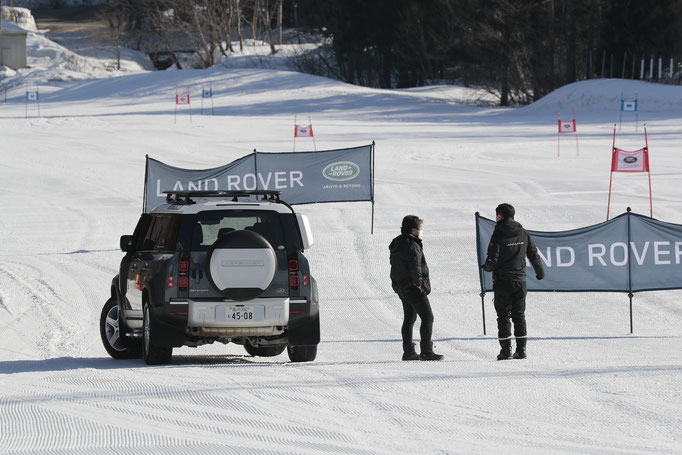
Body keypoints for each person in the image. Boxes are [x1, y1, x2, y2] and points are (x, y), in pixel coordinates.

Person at [482, 203, 544, 360]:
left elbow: (492, 257)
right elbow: (533, 254)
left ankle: (505, 351)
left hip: (503, 282)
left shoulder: (498, 233)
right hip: (520, 281)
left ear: (499, 216)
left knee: (503, 316)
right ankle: (521, 350)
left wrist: (487, 267)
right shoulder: (523, 232)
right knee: (519, 315)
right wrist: (539, 271)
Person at [389, 215, 444, 361]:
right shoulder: (412, 244)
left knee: (410, 318)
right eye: (419, 228)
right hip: (412, 286)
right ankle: (426, 351)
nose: (421, 231)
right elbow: (415, 266)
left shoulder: (397, 242)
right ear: (413, 230)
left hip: (401, 286)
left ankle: (408, 352)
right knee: (427, 317)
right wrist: (419, 283)